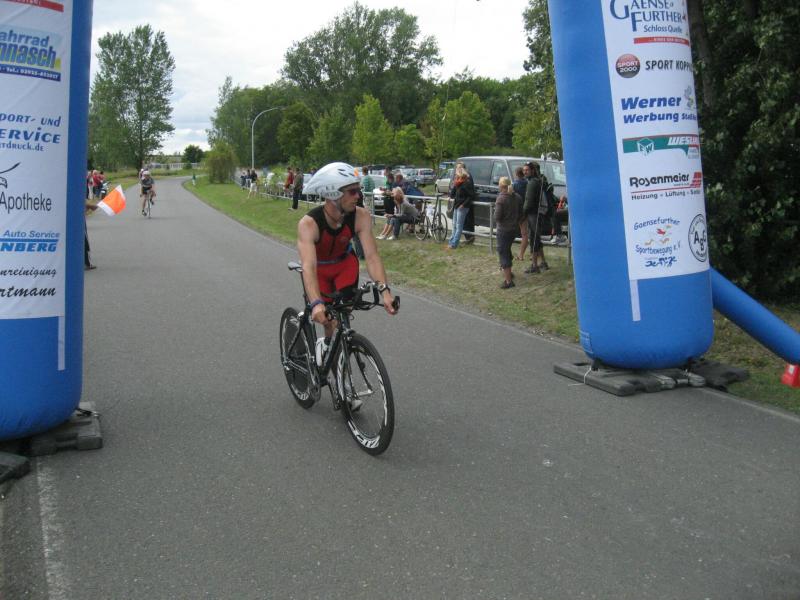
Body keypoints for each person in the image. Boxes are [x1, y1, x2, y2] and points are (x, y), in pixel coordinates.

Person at [297, 162, 398, 379]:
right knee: (327, 318)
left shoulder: (361, 216)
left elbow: (371, 255)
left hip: (344, 266)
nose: (358, 196)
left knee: (343, 314)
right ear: (333, 194)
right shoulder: (309, 224)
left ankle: (340, 354)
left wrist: (385, 291)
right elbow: (309, 266)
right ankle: (327, 345)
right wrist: (316, 303)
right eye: (352, 191)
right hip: (319, 271)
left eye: (358, 190)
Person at [494, 177, 522, 288]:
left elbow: (497, 217)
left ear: (501, 186)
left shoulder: (501, 198)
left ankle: (508, 281)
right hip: (514, 229)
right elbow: (521, 213)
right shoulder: (517, 197)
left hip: (503, 230)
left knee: (503, 253)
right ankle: (509, 273)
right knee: (507, 250)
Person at [522, 162, 549, 273]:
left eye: (527, 170)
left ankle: (534, 266)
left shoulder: (532, 183)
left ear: (532, 171)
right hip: (538, 213)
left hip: (534, 214)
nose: (525, 172)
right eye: (524, 170)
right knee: (536, 238)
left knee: (534, 239)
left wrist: (522, 214)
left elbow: (528, 201)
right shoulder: (537, 181)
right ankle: (543, 262)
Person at [446, 164, 474, 250]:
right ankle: (451, 242)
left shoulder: (466, 183)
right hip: (456, 205)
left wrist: (463, 205)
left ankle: (454, 244)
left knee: (459, 226)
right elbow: (453, 193)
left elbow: (471, 196)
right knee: (454, 225)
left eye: (457, 174)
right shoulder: (458, 183)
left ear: (461, 174)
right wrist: (450, 196)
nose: (455, 176)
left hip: (462, 207)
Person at [512, 166, 529, 261]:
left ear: (516, 174)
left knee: (512, 231)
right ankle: (523, 254)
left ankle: (520, 255)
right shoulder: (527, 183)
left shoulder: (514, 184)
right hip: (526, 210)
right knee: (525, 234)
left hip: (517, 211)